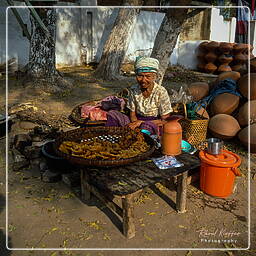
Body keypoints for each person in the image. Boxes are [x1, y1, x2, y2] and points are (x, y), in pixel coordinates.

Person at [105, 56, 173, 135]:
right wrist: (135, 124)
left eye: (148, 76)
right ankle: (112, 137)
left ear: (155, 77)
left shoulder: (161, 92)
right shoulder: (134, 90)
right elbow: (132, 114)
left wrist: (140, 123)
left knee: (146, 127)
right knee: (112, 114)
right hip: (135, 120)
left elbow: (165, 120)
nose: (143, 80)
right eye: (140, 76)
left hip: (153, 123)